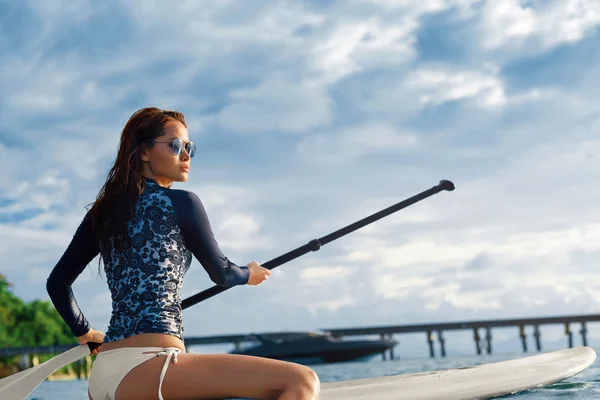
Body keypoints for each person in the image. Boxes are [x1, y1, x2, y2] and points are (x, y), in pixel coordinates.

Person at [46, 107, 320, 400]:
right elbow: (222, 273)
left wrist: (85, 333)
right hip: (152, 366)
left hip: (104, 375)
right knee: (302, 381)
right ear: (144, 152)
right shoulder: (182, 203)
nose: (186, 154)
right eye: (176, 145)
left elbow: (58, 283)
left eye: (189, 147)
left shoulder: (103, 214)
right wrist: (248, 274)